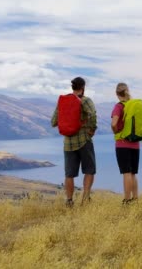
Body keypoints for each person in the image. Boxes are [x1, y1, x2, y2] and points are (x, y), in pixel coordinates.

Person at [51, 77, 97, 207]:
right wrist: (92, 129)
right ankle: (85, 199)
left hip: (68, 143)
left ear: (72, 87)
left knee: (69, 174)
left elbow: (53, 122)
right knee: (89, 170)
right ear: (83, 87)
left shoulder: (63, 101)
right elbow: (93, 115)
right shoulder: (86, 100)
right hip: (84, 141)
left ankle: (69, 201)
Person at [111, 82, 139, 204]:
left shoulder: (119, 106)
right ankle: (135, 199)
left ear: (117, 94)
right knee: (133, 173)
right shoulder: (134, 106)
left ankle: (126, 200)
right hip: (135, 144)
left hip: (122, 144)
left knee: (126, 173)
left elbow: (114, 124)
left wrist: (115, 131)